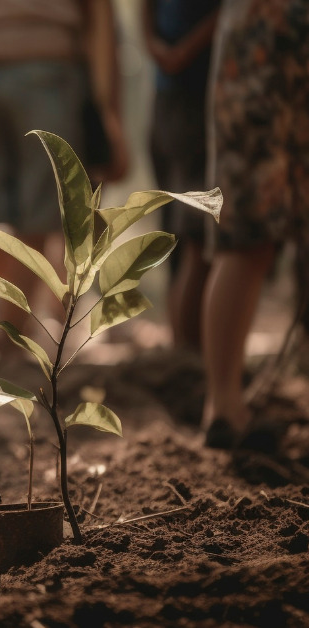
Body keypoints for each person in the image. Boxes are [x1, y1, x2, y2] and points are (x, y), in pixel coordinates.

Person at [0, 0, 127, 370]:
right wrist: (109, 110)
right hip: (46, 70)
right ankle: (10, 347)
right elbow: (101, 18)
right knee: (38, 216)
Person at [200, 0, 308, 453]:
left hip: (254, 34)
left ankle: (224, 405)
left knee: (243, 235)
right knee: (244, 235)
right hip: (265, 35)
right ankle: (223, 406)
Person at [142, 0, 220, 352]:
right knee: (193, 232)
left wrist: (171, 50)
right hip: (186, 99)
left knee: (191, 232)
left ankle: (188, 348)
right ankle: (187, 350)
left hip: (182, 95)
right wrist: (171, 51)